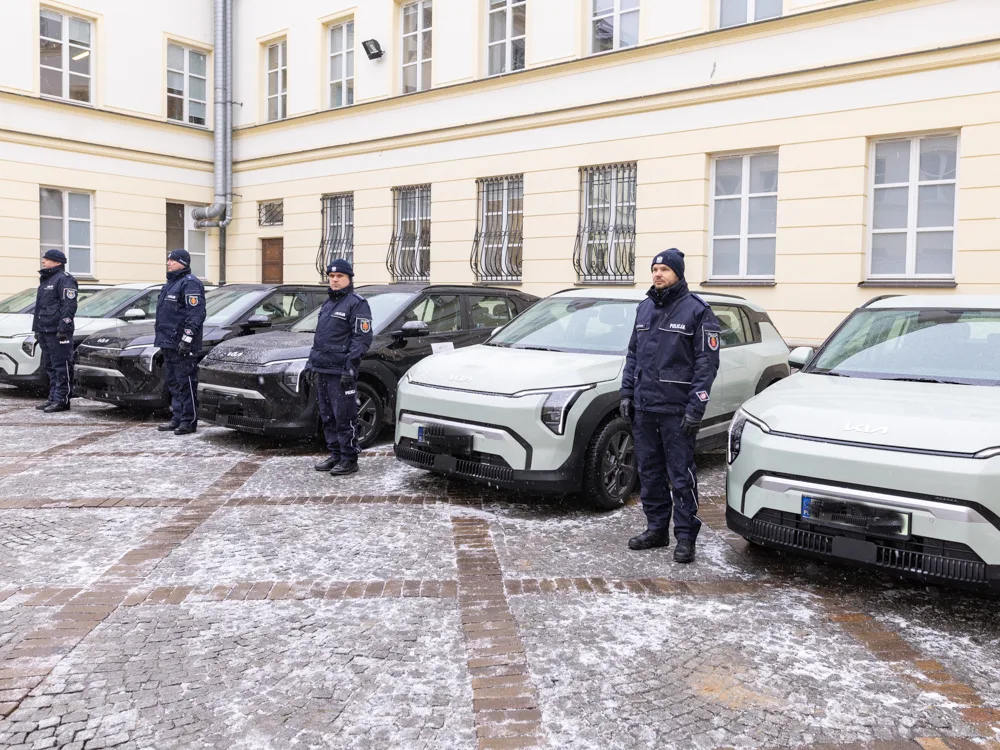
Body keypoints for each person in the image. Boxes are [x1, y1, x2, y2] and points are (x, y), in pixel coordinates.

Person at [619, 249, 721, 564]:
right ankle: (657, 529)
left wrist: (696, 407)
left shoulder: (697, 311)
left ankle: (686, 537)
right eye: (655, 269)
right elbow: (633, 355)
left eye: (664, 269)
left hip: (677, 411)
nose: (658, 274)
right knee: (649, 473)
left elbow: (707, 365)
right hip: (646, 409)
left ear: (677, 273)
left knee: (680, 476)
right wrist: (627, 393)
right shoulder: (644, 309)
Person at [307, 259, 374, 476]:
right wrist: (312, 363)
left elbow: (361, 339)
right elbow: (321, 337)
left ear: (348, 279)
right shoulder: (327, 304)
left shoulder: (357, 303)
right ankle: (335, 454)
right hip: (324, 369)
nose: (335, 280)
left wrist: (350, 368)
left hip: (341, 372)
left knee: (344, 416)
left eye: (339, 277)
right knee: (327, 417)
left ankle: (349, 458)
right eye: (332, 277)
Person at [154, 249, 206, 435]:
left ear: (182, 263)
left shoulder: (190, 284)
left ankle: (188, 420)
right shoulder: (171, 284)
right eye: (168, 260)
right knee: (173, 382)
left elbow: (195, 314)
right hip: (168, 342)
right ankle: (177, 418)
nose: (168, 263)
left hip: (183, 344)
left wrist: (187, 338)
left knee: (186, 382)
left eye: (172, 260)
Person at [32, 249, 79, 413]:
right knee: (50, 365)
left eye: (47, 259)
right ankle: (53, 397)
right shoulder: (46, 280)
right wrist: (37, 329)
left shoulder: (64, 279)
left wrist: (64, 327)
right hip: (44, 329)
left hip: (58, 331)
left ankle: (62, 399)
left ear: (57, 262)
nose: (43, 261)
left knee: (62, 365)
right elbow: (40, 308)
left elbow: (69, 305)